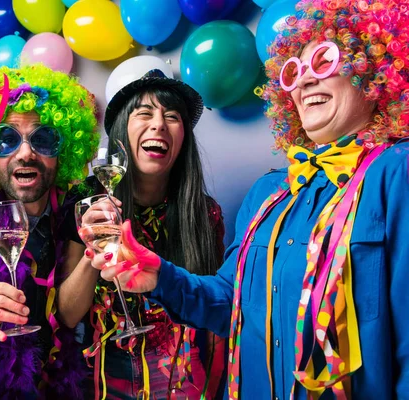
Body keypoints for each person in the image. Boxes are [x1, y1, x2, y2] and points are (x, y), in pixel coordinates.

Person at [97, 0, 409, 399]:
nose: (307, 81)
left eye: (325, 61)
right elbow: (231, 305)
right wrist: (159, 275)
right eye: (295, 71)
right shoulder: (268, 193)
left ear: (371, 74)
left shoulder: (396, 172)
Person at [57, 69, 227, 399]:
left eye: (172, 116)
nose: (159, 124)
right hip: (109, 378)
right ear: (122, 131)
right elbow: (66, 315)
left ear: (182, 140)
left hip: (187, 378)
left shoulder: (204, 213)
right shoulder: (86, 203)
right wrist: (94, 253)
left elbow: (216, 307)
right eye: (145, 113)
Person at [0, 64, 99, 399]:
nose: (25, 152)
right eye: (6, 140)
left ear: (63, 151)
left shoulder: (75, 224)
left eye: (43, 138)